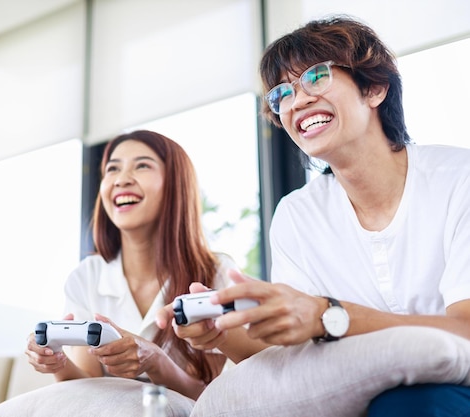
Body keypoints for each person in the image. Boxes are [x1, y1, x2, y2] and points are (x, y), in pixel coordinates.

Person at [157, 15, 470, 414]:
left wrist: (327, 314)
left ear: (373, 88)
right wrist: (218, 333)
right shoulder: (296, 215)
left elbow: (465, 331)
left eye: (316, 77)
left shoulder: (460, 179)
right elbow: (296, 352)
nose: (297, 100)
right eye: (282, 94)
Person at [24, 129, 261, 400]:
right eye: (112, 169)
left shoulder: (214, 270)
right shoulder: (86, 276)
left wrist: (155, 360)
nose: (121, 180)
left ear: (175, 184)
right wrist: (59, 364)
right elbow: (86, 390)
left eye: (142, 165)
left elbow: (206, 400)